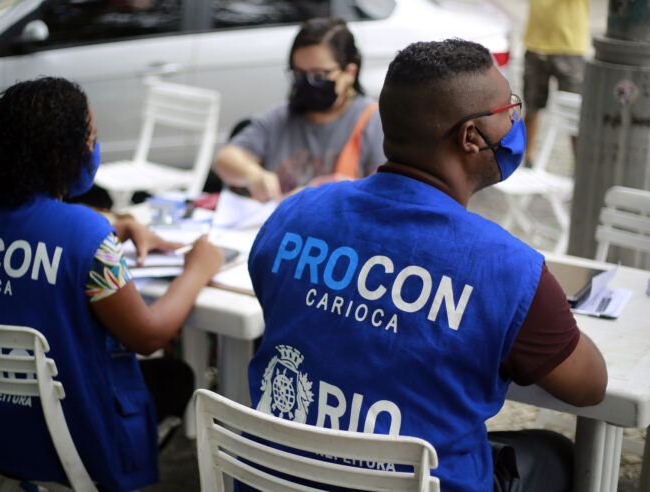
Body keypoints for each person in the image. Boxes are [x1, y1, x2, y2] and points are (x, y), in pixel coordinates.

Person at [244, 39, 607, 492]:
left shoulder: (296, 213)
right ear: (472, 137)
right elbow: (590, 386)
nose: (516, 120)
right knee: (553, 455)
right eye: (508, 109)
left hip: (277, 477)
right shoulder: (508, 270)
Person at [0, 77, 224, 491]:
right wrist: (199, 267)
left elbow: (31, 224)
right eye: (91, 137)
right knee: (175, 376)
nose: (94, 147)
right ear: (60, 152)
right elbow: (149, 335)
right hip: (63, 436)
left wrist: (117, 224)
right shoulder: (83, 233)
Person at [213, 17, 386, 202]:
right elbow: (226, 159)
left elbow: (387, 193)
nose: (308, 83)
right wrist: (253, 175)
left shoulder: (374, 121)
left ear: (350, 73)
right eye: (299, 74)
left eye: (319, 76)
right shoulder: (281, 118)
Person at [522, 0, 589, 167]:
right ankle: (527, 160)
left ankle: (579, 166)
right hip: (536, 41)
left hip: (570, 45)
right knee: (531, 106)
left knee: (575, 112)